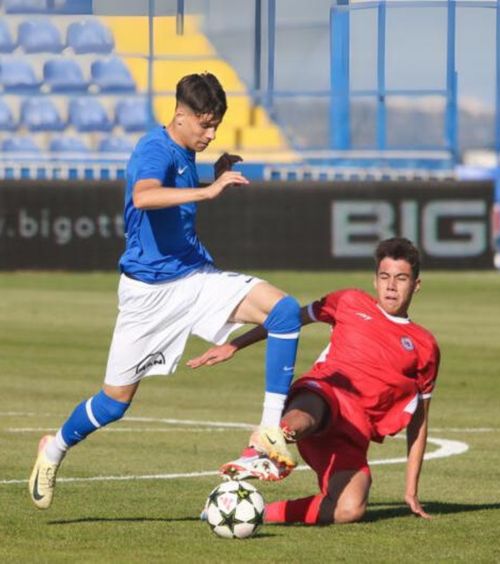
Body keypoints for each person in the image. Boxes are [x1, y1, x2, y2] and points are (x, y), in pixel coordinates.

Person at [29, 73, 301, 510]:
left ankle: (269, 430)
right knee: (114, 403)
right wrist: (210, 190)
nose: (210, 134)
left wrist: (213, 174)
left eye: (215, 126)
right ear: (180, 115)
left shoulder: (185, 150)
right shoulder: (153, 148)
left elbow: (174, 192)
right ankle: (54, 448)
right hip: (148, 296)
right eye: (205, 125)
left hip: (194, 279)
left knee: (284, 311)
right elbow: (144, 196)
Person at [191, 237, 440, 524]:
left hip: (353, 431)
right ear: (375, 281)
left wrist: (411, 490)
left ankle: (245, 513)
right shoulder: (349, 301)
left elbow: (419, 421)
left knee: (350, 508)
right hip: (324, 393)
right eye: (384, 277)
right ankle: (265, 447)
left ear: (416, 285)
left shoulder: (425, 345)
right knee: (310, 411)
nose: (391, 286)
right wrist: (234, 344)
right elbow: (287, 319)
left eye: (401, 278)